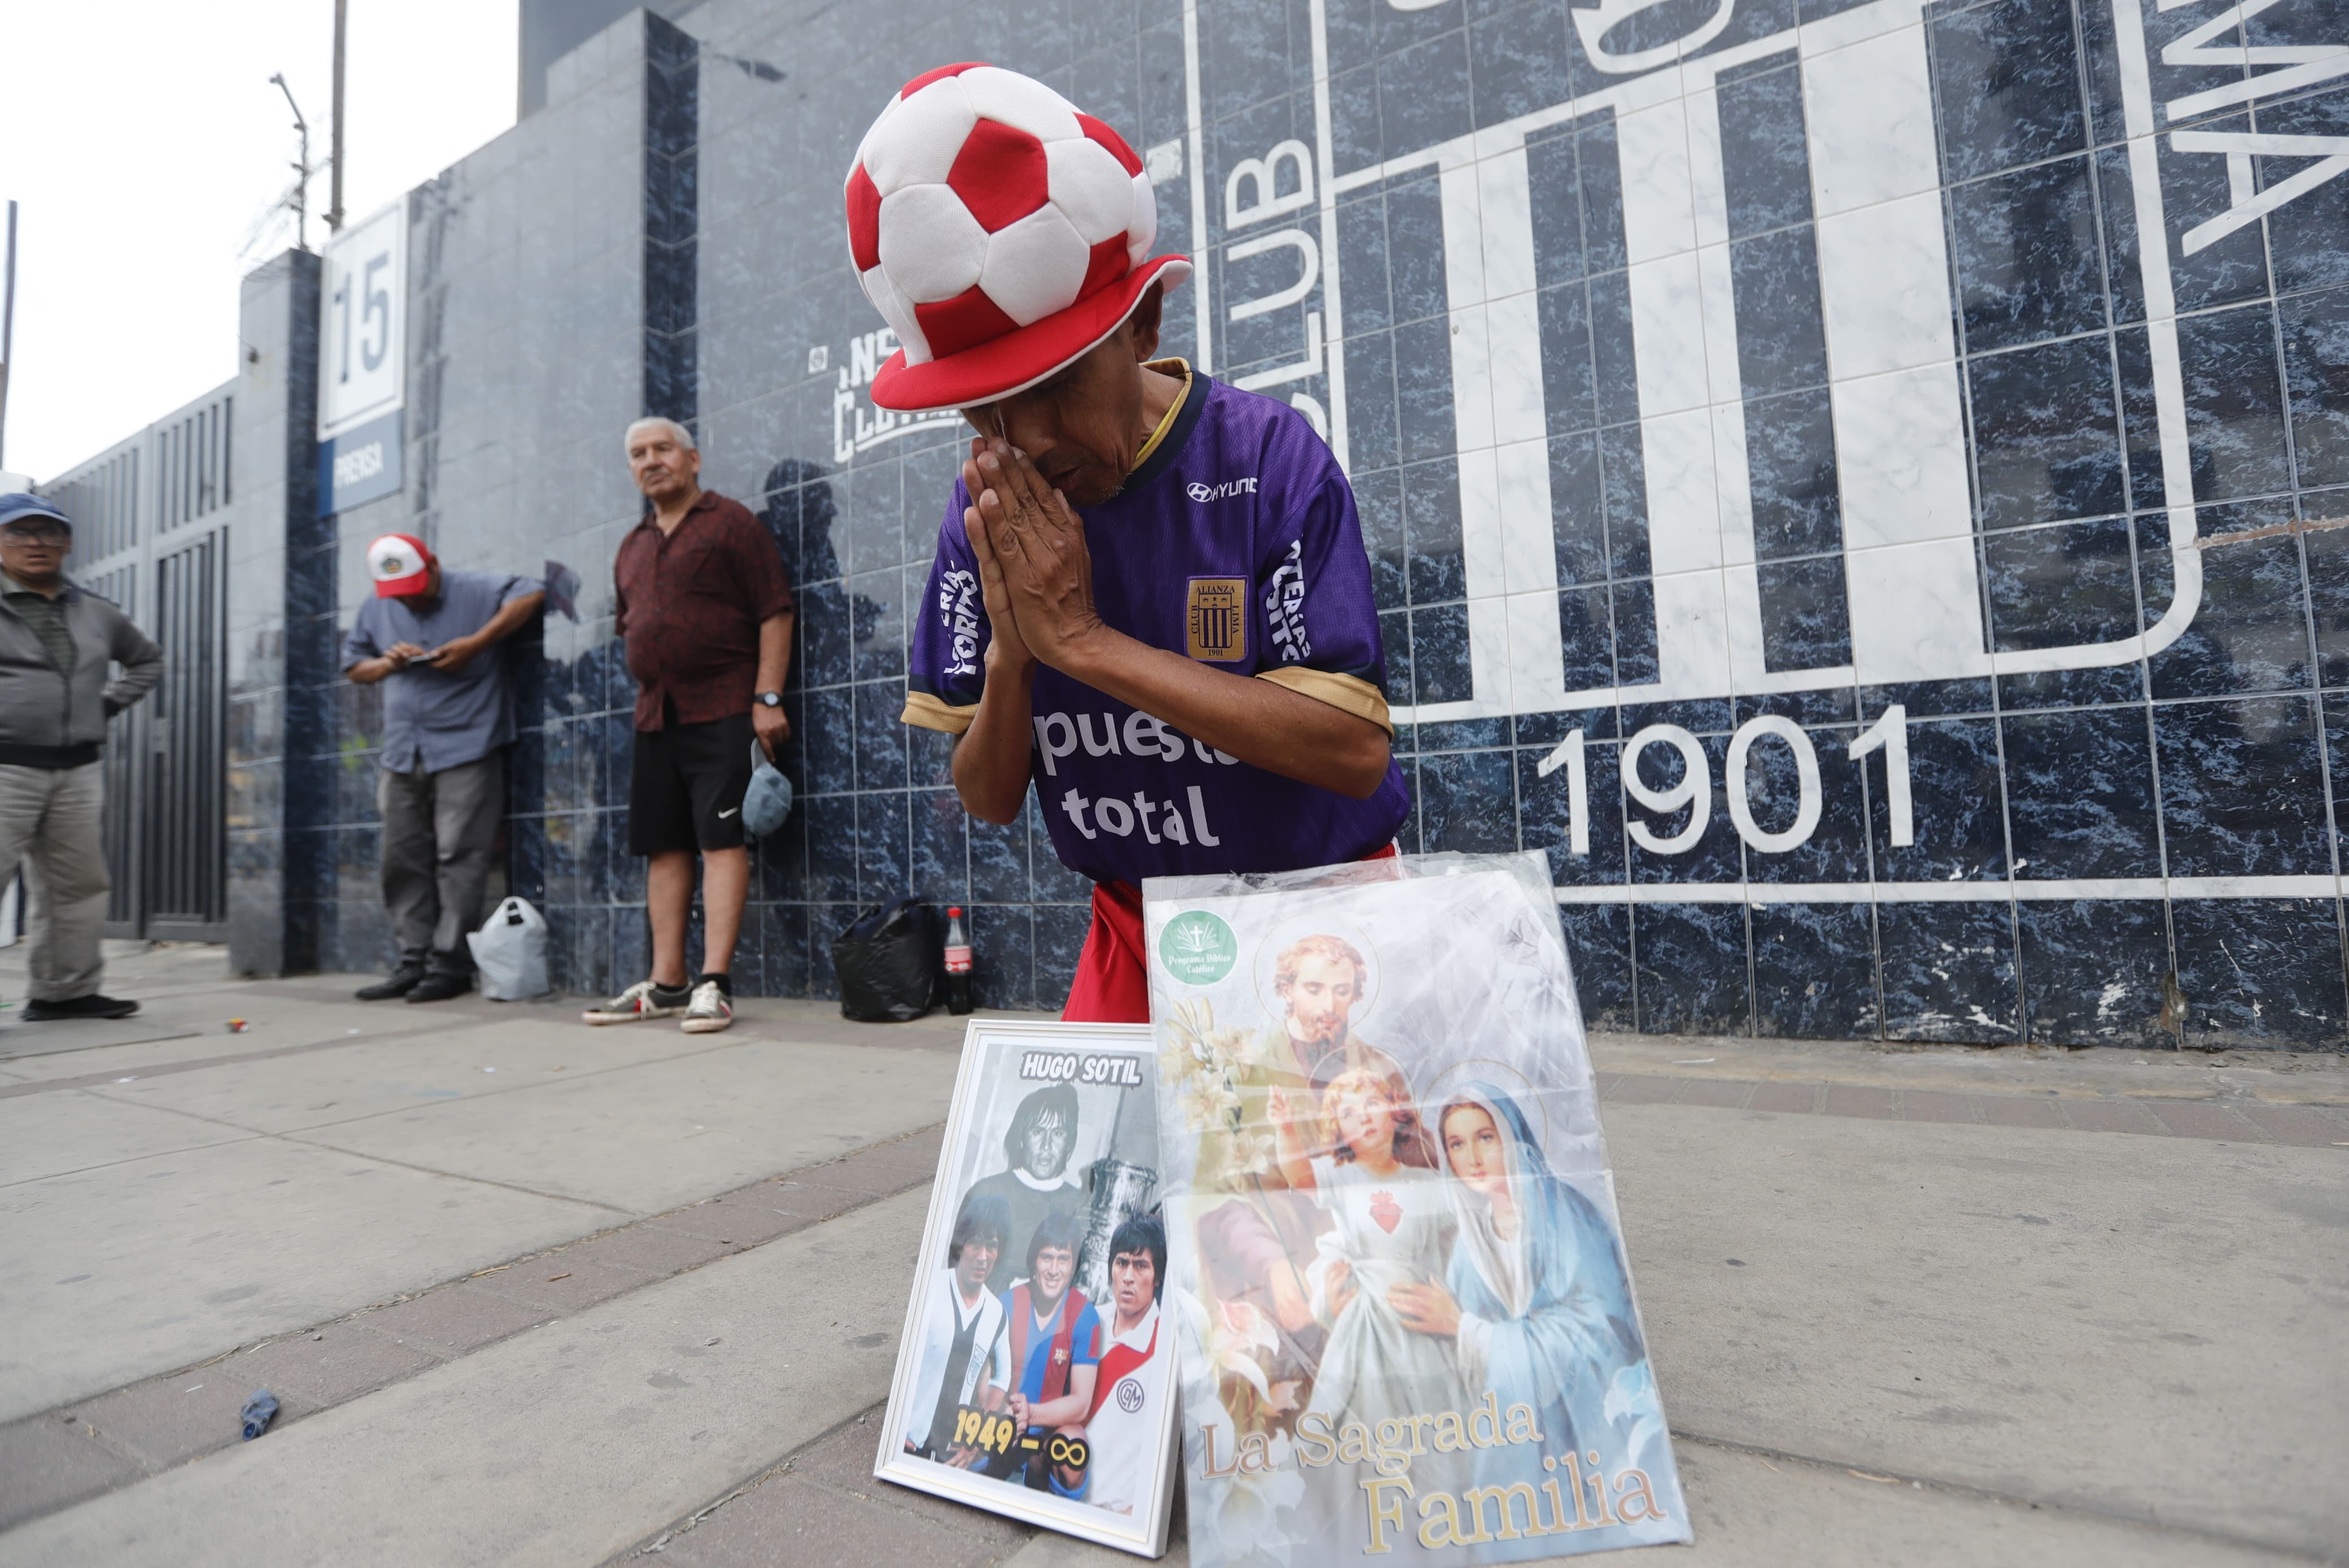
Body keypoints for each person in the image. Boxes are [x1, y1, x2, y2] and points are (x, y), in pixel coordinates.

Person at [853, 64, 1411, 1024]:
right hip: (1136, 931)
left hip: (1320, 922)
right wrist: (1016, 656)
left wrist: (1084, 643)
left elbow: (1354, 751)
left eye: (1058, 383)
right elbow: (987, 797)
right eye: (984, 406)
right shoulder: (986, 509)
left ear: (1142, 324)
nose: (1024, 437)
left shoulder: (1267, 455)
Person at [1395, 1086, 1682, 1550]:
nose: (1473, 1157)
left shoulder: (1566, 1215)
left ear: (1513, 1136)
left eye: (1485, 1137)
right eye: (1456, 1144)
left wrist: (1469, 1329)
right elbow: (1464, 1360)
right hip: (1514, 1429)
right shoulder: (1472, 1245)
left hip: (1585, 1422)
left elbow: (1602, 1330)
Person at [583, 417, 792, 1034]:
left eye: (662, 449)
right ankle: (668, 982)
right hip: (656, 714)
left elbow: (775, 612)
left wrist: (768, 696)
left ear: (692, 458)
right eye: (637, 454)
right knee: (663, 847)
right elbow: (632, 626)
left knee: (719, 843)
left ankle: (714, 984)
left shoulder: (730, 524)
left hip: (726, 705)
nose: (650, 460)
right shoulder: (632, 544)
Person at [342, 535, 544, 1002]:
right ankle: (413, 960)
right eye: (399, 592)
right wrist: (386, 663)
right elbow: (354, 666)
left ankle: (450, 965)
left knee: (459, 857)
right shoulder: (377, 607)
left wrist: (477, 643)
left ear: (433, 565)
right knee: (401, 858)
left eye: (416, 584)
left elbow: (533, 592)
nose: (410, 597)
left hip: (467, 745)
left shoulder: (475, 589)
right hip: (401, 751)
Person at [0, 493, 162, 1020]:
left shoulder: (96, 609)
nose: (36, 543)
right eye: (20, 532)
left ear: (67, 544)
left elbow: (147, 661)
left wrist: (105, 706)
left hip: (77, 769)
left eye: (48, 533)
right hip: (6, 765)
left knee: (78, 885)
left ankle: (64, 993)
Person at [1274, 1067, 1461, 1440]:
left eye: (1372, 1102)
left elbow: (1457, 1239)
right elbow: (1299, 1175)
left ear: (1395, 1111)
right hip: (1366, 1312)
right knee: (1365, 1405)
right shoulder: (1342, 1175)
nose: (1363, 1116)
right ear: (1340, 1133)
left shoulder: (1423, 1181)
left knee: (1428, 1407)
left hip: (1416, 1307)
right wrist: (1287, 1129)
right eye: (1348, 1113)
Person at [994, 1209, 1101, 1496]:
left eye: (1063, 1259)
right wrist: (998, 1411)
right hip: (1003, 1424)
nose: (1054, 1270)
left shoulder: (1084, 1316)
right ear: (1034, 1262)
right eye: (1047, 1258)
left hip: (1046, 1432)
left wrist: (1031, 1415)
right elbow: (980, 1378)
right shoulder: (1006, 1305)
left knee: (1072, 1446)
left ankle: (1051, 1509)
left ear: (1073, 1265)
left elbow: (1081, 1403)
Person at [904, 1191, 1014, 1466]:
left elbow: (1003, 1374)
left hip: (951, 1458)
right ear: (960, 1244)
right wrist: (898, 1425)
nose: (983, 1256)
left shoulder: (996, 1313)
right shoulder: (931, 1289)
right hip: (908, 1444)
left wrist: (977, 1437)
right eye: (975, 1244)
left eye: (992, 1246)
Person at [1079, 1214, 1169, 1517]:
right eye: (1121, 1263)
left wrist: (1139, 1514)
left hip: (1115, 1517)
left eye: (1141, 1265)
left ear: (1157, 1277)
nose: (1128, 1276)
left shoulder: (1168, 1346)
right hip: (1063, 1498)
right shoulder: (1088, 1321)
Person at [963, 1082, 1089, 1295]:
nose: (1046, 1145)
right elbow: (958, 1273)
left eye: (1058, 1133)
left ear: (1069, 1143)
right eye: (1038, 1132)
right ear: (1022, 1138)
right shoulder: (986, 1193)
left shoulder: (1081, 1206)